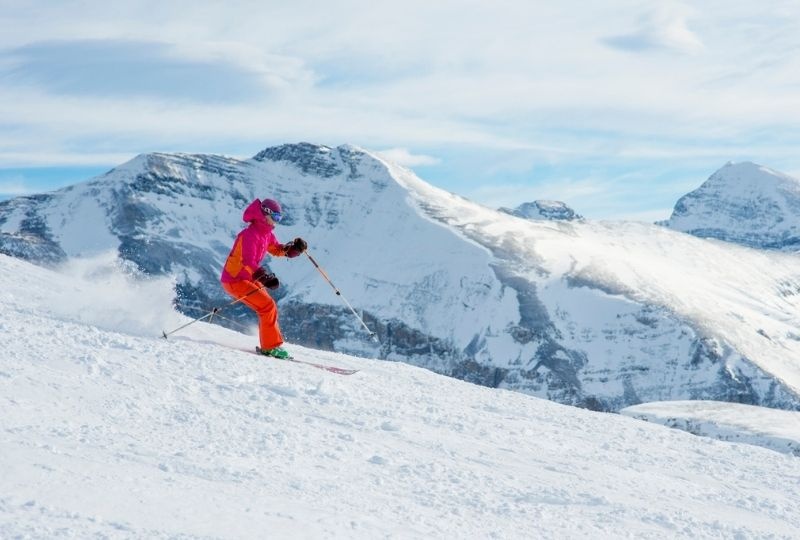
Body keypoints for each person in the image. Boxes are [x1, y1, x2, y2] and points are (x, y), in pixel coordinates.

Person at [220, 197, 307, 359]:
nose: (277, 221)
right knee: (267, 306)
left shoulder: (266, 234)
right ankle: (269, 347)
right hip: (234, 280)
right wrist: (264, 278)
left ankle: (270, 344)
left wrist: (293, 250)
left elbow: (276, 249)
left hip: (247, 279)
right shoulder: (249, 235)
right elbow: (248, 261)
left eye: (279, 218)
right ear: (264, 214)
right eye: (275, 217)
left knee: (269, 307)